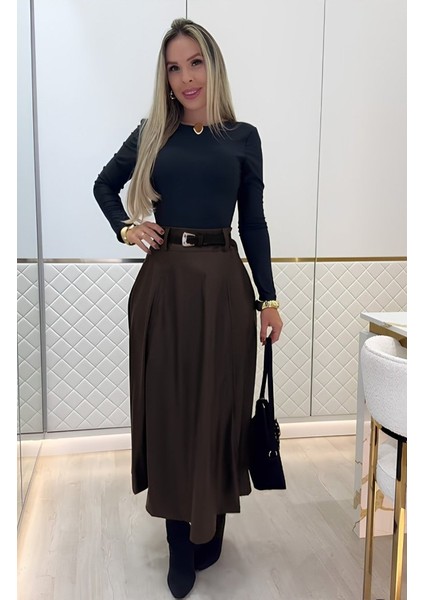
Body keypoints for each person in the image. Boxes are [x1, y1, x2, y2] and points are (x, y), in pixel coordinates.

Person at [93, 17, 283, 599]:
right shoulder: (152, 132)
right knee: (173, 411)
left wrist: (269, 299)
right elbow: (104, 185)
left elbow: (253, 223)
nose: (186, 78)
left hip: (226, 286)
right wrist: (127, 227)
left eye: (195, 62)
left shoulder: (243, 137)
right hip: (166, 285)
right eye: (174, 68)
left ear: (213, 65)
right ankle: (180, 540)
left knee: (220, 408)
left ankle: (213, 522)